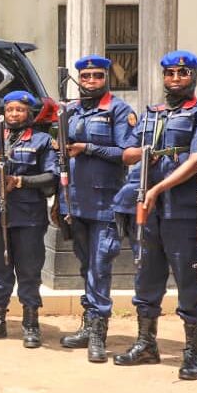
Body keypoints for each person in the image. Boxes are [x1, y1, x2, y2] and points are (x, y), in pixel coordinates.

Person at [111, 50, 197, 380]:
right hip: (147, 208)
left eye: (183, 73)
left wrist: (158, 188)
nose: (175, 79)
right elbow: (129, 152)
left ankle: (193, 352)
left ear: (193, 76)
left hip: (181, 209)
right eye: (170, 74)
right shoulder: (151, 113)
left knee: (188, 280)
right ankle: (146, 344)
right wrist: (137, 158)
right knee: (146, 276)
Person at [57, 54, 136, 363]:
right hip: (74, 202)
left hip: (105, 203)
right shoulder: (71, 111)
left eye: (96, 76)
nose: (90, 81)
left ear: (106, 78)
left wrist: (89, 148)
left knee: (100, 267)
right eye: (86, 76)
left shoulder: (118, 110)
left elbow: (128, 154)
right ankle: (87, 327)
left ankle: (99, 336)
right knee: (84, 266)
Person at [0, 91, 58, 347]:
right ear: (4, 113)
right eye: (10, 110)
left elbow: (51, 177)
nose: (14, 114)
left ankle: (31, 323)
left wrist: (21, 181)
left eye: (20, 110)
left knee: (29, 270)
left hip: (28, 216)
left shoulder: (41, 140)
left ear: (29, 113)